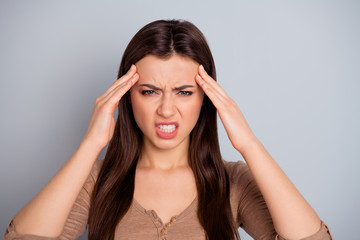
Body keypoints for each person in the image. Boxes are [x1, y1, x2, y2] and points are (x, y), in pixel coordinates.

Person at [3, 19, 332, 240]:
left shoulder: (232, 182)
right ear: (127, 97)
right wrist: (91, 145)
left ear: (206, 98)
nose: (166, 109)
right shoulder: (97, 181)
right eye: (149, 91)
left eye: (184, 92)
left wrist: (248, 143)